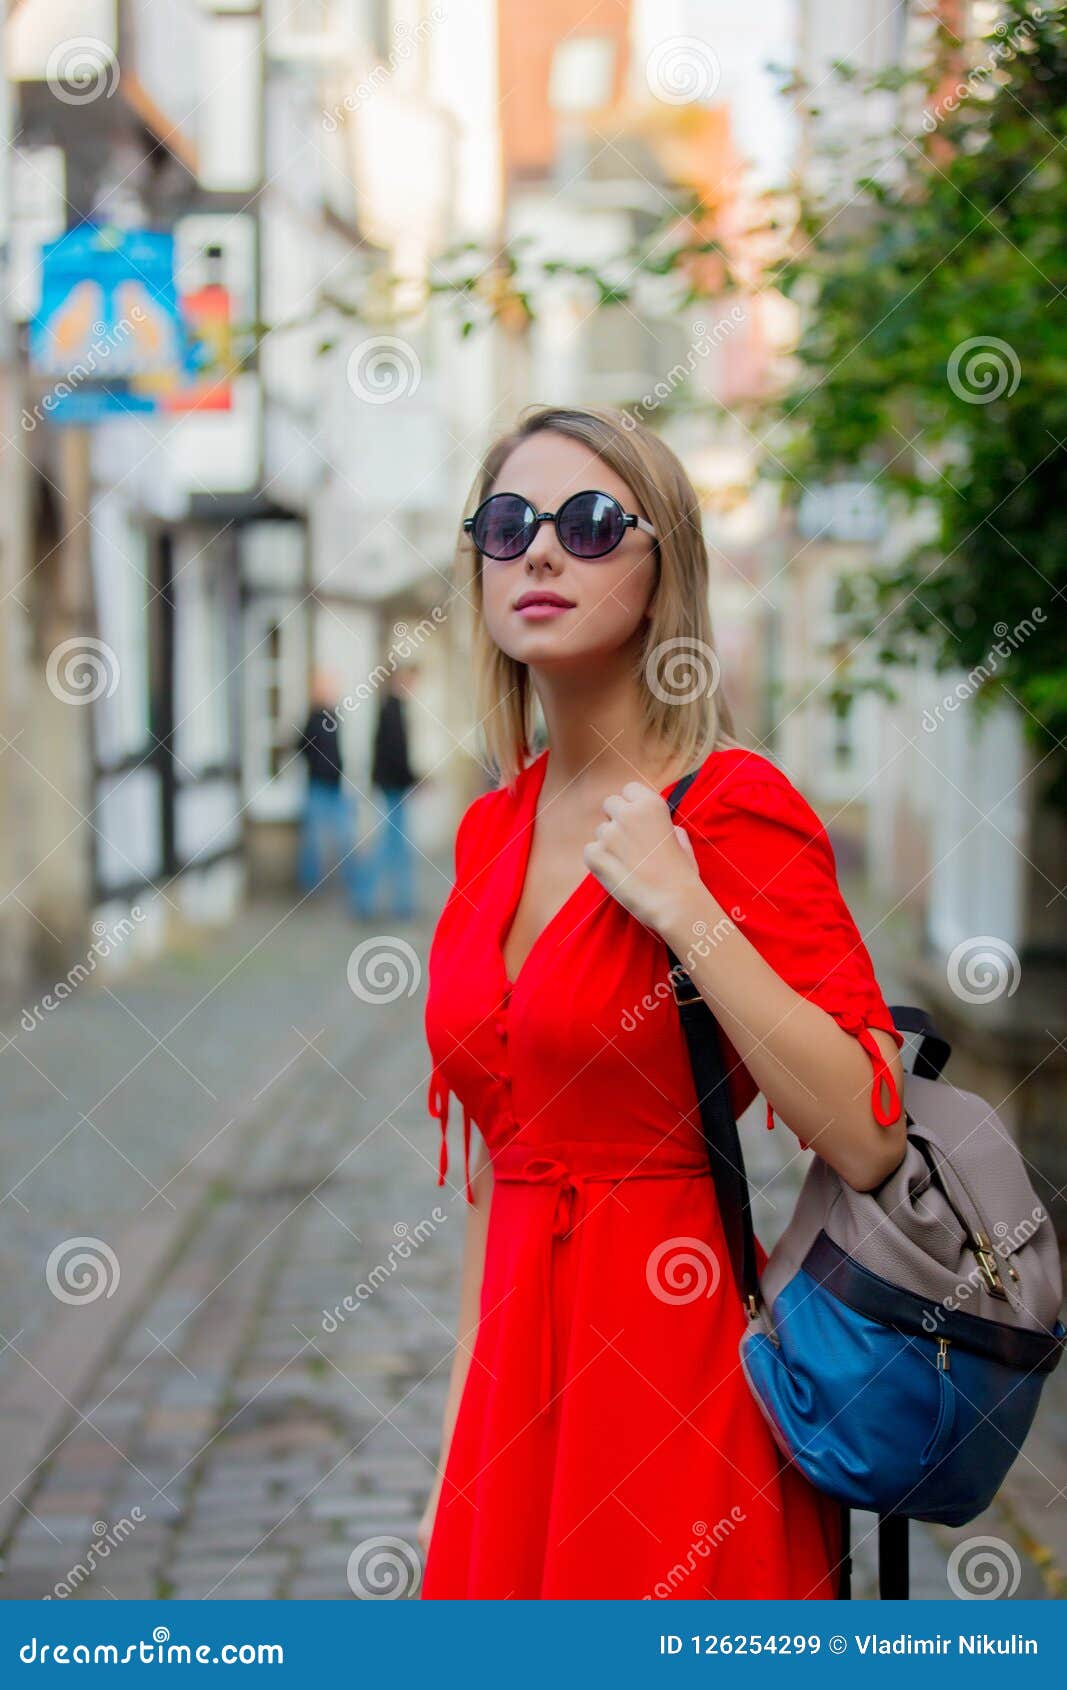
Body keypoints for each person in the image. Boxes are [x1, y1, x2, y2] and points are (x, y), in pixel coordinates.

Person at [418, 404, 907, 1600]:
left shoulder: (733, 807)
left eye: (588, 524)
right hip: (509, 1411)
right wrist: (451, 1477)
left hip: (674, 1388)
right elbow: (498, 1162)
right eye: (505, 524)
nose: (538, 552)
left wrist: (685, 906)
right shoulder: (490, 833)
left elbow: (866, 1126)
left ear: (662, 570)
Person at [361, 667, 420, 921]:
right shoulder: (393, 711)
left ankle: (389, 903)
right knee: (391, 848)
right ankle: (384, 903)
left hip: (392, 785)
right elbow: (395, 755)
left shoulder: (391, 709)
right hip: (393, 787)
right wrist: (412, 778)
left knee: (392, 847)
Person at [295, 674, 357, 897]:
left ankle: (351, 881)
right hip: (318, 784)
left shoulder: (335, 716)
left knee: (344, 836)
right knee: (313, 840)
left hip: (335, 785)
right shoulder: (313, 717)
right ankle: (310, 885)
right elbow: (301, 747)